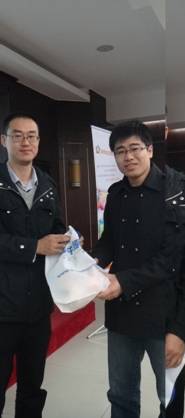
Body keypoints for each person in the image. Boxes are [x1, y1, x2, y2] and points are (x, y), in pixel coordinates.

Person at [91, 120, 185, 418]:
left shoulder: (181, 191)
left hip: (166, 318)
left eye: (135, 149)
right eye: (120, 151)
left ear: (150, 150)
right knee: (121, 396)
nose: (128, 157)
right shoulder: (115, 193)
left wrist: (182, 332)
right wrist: (91, 263)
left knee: (169, 401)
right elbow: (110, 241)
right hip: (122, 314)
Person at [0, 113, 69, 418]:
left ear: (38, 142)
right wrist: (34, 247)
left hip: (38, 306)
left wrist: (67, 240)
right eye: (17, 135)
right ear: (4, 141)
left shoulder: (48, 185)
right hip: (2, 307)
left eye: (31, 136)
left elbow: (57, 226)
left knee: (32, 386)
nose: (25, 142)